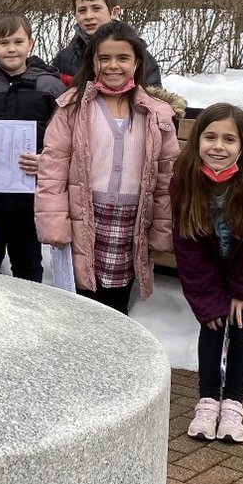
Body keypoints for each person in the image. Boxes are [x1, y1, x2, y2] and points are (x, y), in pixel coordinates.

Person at [35, 21, 180, 313]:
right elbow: (52, 169)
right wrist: (54, 223)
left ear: (137, 62)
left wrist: (162, 227)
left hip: (132, 223)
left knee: (117, 307)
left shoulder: (156, 114)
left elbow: (166, 177)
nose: (113, 66)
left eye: (122, 58)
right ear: (93, 62)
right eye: (104, 58)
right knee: (83, 305)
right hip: (84, 218)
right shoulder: (72, 109)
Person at [173, 104, 243, 443]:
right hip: (210, 261)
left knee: (241, 324)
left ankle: (234, 404)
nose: (218, 147)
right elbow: (189, 246)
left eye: (229, 139)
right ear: (197, 142)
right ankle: (208, 402)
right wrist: (208, 298)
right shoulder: (187, 179)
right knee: (212, 323)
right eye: (210, 137)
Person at [0, 13, 65, 282]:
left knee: (28, 265)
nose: (12, 49)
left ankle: (28, 319)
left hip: (30, 196)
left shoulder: (49, 86)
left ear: (31, 43)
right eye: (4, 43)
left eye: (19, 42)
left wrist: (46, 160)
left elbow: (65, 137)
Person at [52, 0, 162, 87]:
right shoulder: (64, 59)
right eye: (82, 10)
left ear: (114, 12)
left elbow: (152, 99)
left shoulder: (139, 57)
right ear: (74, 14)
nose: (88, 16)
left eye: (96, 8)